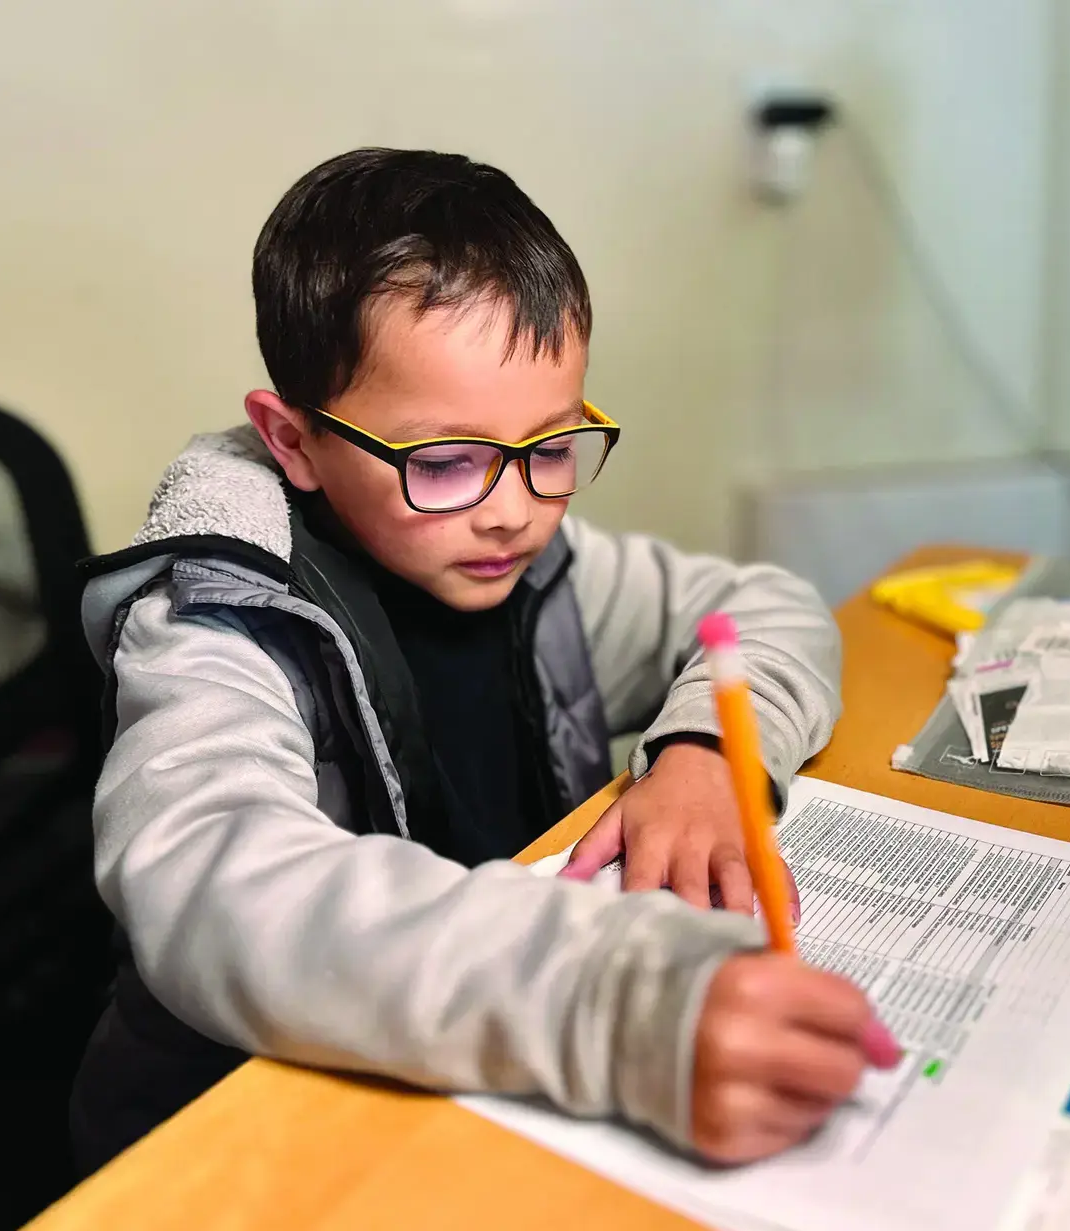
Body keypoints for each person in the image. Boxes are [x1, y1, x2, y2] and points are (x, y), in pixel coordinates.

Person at [69, 148, 900, 1175]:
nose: (514, 507)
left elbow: (768, 606)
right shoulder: (217, 620)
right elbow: (212, 883)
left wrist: (703, 749)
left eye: (551, 446)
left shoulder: (538, 564)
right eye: (446, 460)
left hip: (467, 1089)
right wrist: (617, 1002)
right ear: (293, 443)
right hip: (236, 1146)